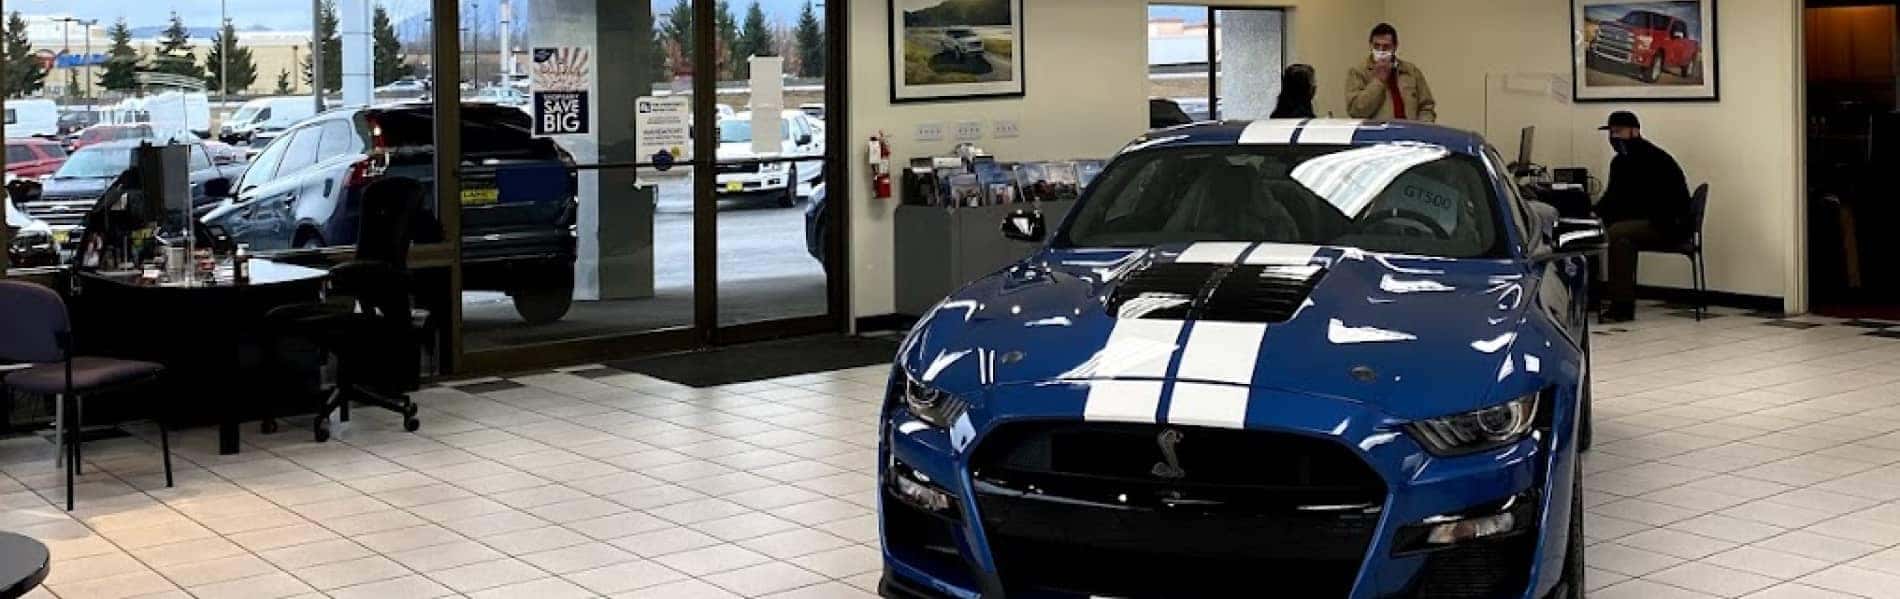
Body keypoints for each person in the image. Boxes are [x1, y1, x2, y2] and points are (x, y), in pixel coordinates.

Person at [1594, 111, 1692, 323]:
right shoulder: (1622, 161)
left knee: (1615, 232)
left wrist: (1601, 216)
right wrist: (1593, 215)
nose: (1613, 137)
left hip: (1668, 225)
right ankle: (1619, 304)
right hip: (1651, 222)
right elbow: (1614, 198)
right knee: (1620, 240)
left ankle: (1619, 305)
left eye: (1618, 131)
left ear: (1635, 131)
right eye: (1611, 132)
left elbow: (1639, 201)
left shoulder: (1653, 159)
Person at [1346, 23, 1437, 122]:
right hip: (1377, 135)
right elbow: (1355, 111)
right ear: (1370, 45)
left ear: (1395, 46)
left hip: (1411, 133)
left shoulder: (1411, 71)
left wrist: (1421, 129)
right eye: (1377, 46)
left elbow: (1426, 106)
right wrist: (1379, 81)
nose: (1381, 51)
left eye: (1386, 47)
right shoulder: (1358, 72)